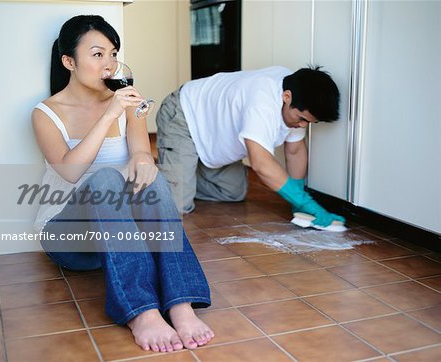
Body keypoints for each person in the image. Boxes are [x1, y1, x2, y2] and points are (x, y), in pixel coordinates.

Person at [31, 15, 214, 353]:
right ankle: (140, 311)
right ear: (69, 61)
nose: (110, 64)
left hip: (119, 239)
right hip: (68, 237)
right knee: (105, 177)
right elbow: (70, 173)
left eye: (114, 54)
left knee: (153, 179)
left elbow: (142, 151)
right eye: (98, 54)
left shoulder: (128, 102)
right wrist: (109, 114)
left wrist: (143, 161)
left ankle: (180, 303)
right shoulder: (46, 112)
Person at [156, 66, 345, 227]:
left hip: (211, 134)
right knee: (176, 207)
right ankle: (158, 178)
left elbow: (295, 150)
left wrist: (297, 197)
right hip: (184, 116)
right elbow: (261, 163)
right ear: (286, 97)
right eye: (302, 119)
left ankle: (180, 173)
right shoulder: (262, 103)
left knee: (233, 192)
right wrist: (306, 203)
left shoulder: (297, 94)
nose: (303, 126)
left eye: (309, 123)